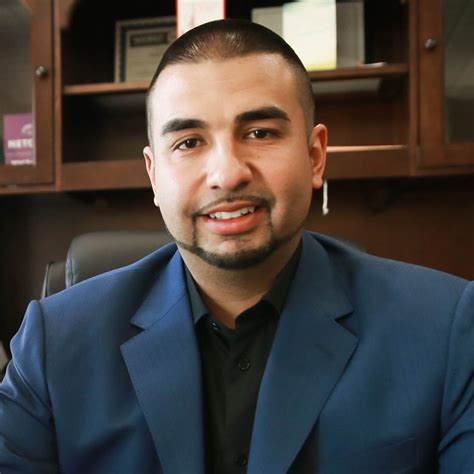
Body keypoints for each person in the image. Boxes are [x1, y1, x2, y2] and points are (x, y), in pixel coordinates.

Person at [0, 19, 473, 474]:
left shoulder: (446, 328)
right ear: (153, 174)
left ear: (315, 156)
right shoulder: (54, 342)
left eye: (260, 133)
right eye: (189, 142)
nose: (227, 174)